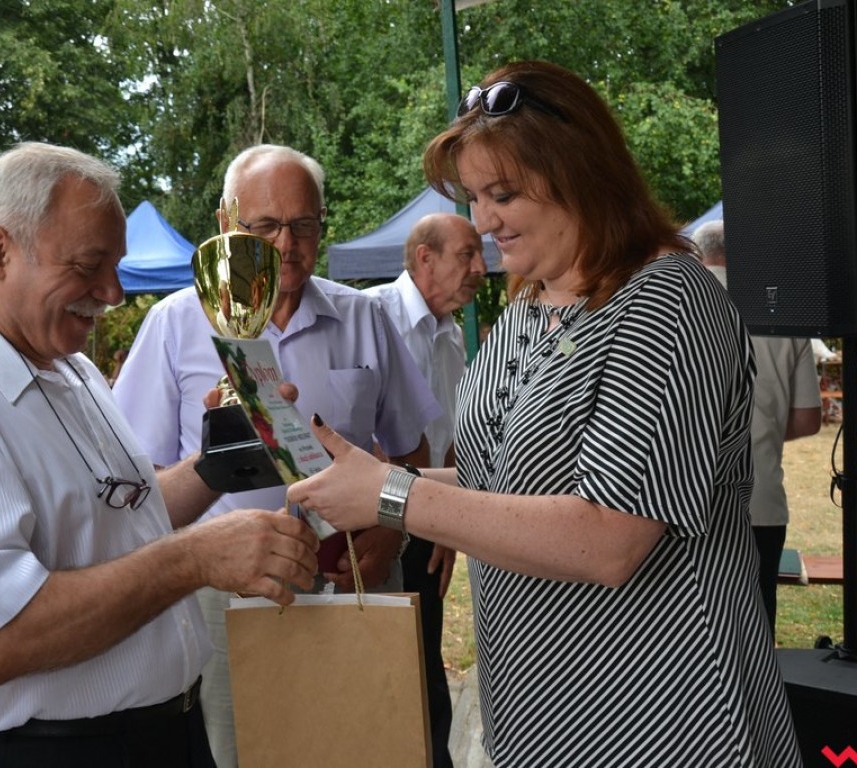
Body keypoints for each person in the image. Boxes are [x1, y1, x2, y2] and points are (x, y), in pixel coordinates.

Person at [286, 61, 802, 766]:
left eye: (502, 193)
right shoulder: (531, 303)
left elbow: (610, 537)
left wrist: (391, 494)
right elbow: (499, 488)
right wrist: (359, 479)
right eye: (473, 196)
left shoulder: (668, 303)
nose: (483, 219)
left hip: (659, 720)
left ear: (581, 172)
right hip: (539, 719)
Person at [0, 141, 319, 768]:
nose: (114, 291)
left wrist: (221, 459)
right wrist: (198, 558)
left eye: (116, 265)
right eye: (91, 264)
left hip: (166, 735)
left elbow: (128, 515)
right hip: (54, 752)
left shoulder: (71, 369)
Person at [114, 143, 440, 768]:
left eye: (303, 224)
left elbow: (409, 449)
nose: (285, 244)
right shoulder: (174, 323)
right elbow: (143, 479)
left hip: (353, 572)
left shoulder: (364, 316)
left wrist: (391, 536)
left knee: (365, 745)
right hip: (227, 589)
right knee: (244, 751)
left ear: (322, 226)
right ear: (225, 226)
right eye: (264, 225)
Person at [363, 212, 486, 768]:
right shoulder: (372, 317)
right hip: (376, 528)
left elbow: (455, 435)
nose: (481, 269)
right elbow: (362, 438)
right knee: (388, 675)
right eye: (468, 255)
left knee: (424, 663)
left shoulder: (451, 333)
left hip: (428, 520)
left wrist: (450, 522)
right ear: (424, 259)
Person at [694, 219, 821, 632]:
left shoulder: (670, 306)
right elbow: (807, 419)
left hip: (686, 503)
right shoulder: (786, 313)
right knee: (757, 629)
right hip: (762, 502)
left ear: (699, 255)